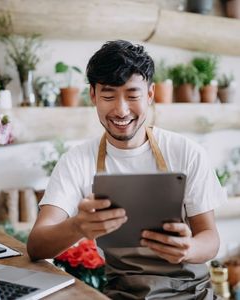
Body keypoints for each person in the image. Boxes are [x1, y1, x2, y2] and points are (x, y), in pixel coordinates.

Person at [27, 40, 226, 299]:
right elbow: (36, 245)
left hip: (192, 293)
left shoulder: (186, 151)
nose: (121, 110)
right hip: (123, 294)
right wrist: (78, 226)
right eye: (109, 96)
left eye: (133, 95)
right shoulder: (76, 161)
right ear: (93, 96)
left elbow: (210, 238)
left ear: (151, 95)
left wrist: (188, 248)